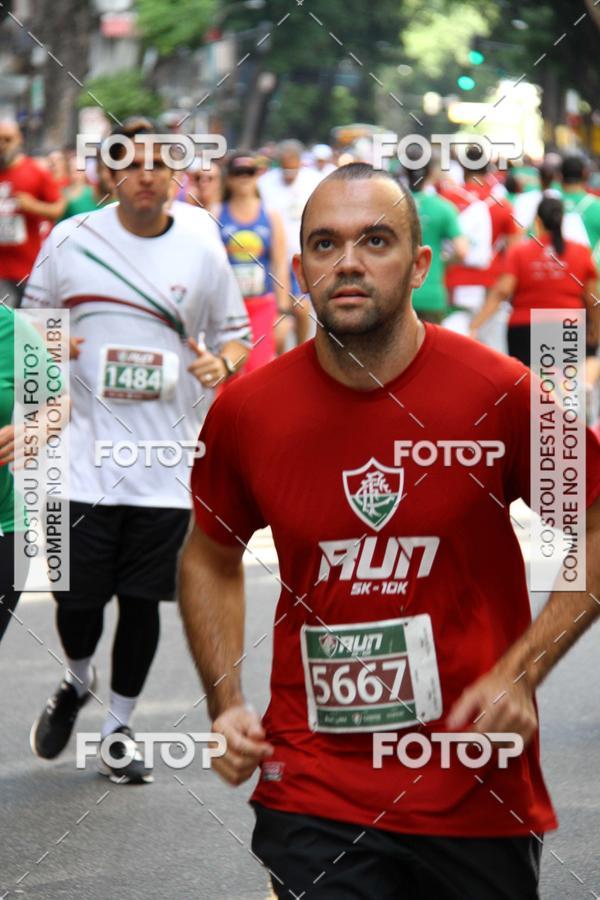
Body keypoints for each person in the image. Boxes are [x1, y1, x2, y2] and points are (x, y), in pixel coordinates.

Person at [179, 162, 600, 900]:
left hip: (473, 785)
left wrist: (526, 668)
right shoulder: (247, 413)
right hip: (313, 784)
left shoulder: (500, 394)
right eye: (324, 244)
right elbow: (211, 555)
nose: (347, 262)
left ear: (420, 264)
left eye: (375, 241)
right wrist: (225, 700)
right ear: (298, 266)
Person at [25, 117, 251, 785]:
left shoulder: (204, 244)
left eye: (159, 162)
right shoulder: (70, 240)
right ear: (107, 174)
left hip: (164, 466)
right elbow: (31, 325)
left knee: (142, 601)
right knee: (76, 601)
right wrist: (49, 343)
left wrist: (224, 366)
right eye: (129, 161)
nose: (145, 173)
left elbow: (235, 335)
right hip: (79, 461)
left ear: (176, 172)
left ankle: (118, 728)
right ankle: (78, 678)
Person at [470, 197, 598, 368]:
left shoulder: (520, 252)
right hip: (567, 326)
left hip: (524, 327)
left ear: (538, 222)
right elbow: (591, 297)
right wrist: (596, 327)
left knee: (531, 386)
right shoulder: (580, 252)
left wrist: (475, 325)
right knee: (565, 387)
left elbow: (503, 290)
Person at [219, 152, 290, 372]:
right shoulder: (215, 213)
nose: (243, 178)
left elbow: (279, 264)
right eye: (238, 172)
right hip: (227, 309)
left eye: (249, 172)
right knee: (227, 370)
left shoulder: (270, 215)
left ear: (257, 176)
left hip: (261, 305)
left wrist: (283, 312)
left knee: (258, 369)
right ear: (229, 177)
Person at [259, 139, 321, 344]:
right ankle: (278, 357)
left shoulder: (314, 181)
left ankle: (301, 347)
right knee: (278, 318)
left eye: (292, 167)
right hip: (273, 260)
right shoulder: (265, 183)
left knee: (301, 309)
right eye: (285, 167)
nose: (289, 174)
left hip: (300, 257)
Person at [0, 120, 65, 308]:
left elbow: (58, 209)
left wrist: (33, 206)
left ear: (19, 140)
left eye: (7, 139)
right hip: (1, 274)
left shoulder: (36, 172)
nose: (2, 145)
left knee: (36, 331)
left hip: (30, 270)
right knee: (5, 333)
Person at [405, 159, 468, 324]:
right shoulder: (443, 207)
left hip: (398, 295)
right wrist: (442, 262)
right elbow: (462, 250)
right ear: (431, 173)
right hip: (432, 294)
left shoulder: (390, 206)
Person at [559, 155, 600, 265]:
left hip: (556, 275)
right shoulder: (596, 206)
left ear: (560, 176)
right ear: (585, 174)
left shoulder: (548, 204)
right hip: (589, 276)